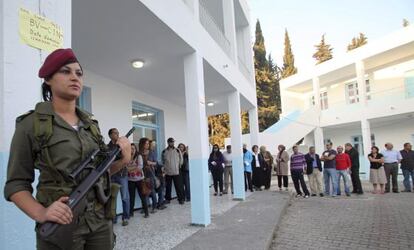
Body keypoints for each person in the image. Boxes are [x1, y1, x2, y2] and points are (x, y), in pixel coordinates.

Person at [3, 48, 131, 249]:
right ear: (48, 79)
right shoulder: (31, 124)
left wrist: (123, 159)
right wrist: (41, 213)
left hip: (99, 222)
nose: (74, 77)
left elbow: (99, 174)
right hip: (61, 228)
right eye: (65, 71)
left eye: (79, 73)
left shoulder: (91, 124)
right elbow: (16, 184)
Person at [108, 128, 130, 225]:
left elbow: (127, 158)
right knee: (113, 197)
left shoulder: (122, 145)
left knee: (125, 197)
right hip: (112, 175)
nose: (117, 135)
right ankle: (114, 217)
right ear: (110, 135)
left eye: (118, 133)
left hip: (122, 174)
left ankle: (125, 217)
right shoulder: (107, 147)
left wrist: (122, 150)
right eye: (115, 133)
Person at [127, 142, 149, 218]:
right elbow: (125, 168)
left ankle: (146, 212)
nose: (132, 150)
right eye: (130, 149)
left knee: (142, 196)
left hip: (139, 180)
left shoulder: (139, 156)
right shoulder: (127, 157)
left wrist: (130, 169)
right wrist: (133, 168)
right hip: (130, 180)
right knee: (131, 197)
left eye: (133, 148)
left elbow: (140, 167)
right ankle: (131, 212)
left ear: (135, 149)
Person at [162, 137, 185, 204]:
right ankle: (167, 199)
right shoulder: (164, 151)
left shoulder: (177, 150)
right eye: (171, 142)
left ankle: (180, 199)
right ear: (168, 142)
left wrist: (179, 166)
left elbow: (181, 159)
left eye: (173, 142)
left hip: (176, 171)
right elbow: (163, 161)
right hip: (168, 172)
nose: (172, 143)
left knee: (178, 186)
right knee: (168, 187)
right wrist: (165, 168)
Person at [140, 138, 158, 214]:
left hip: (151, 174)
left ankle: (154, 207)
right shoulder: (139, 153)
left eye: (148, 143)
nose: (147, 145)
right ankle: (145, 206)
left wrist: (150, 162)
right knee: (144, 191)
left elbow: (156, 163)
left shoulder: (152, 152)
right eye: (146, 143)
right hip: (142, 174)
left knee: (152, 190)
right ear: (142, 144)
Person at [151, 141, 167, 210]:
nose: (154, 146)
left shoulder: (154, 152)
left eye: (155, 145)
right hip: (151, 174)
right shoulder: (148, 153)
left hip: (157, 173)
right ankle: (158, 204)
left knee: (161, 187)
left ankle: (160, 203)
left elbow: (156, 163)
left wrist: (161, 168)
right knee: (157, 188)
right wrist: (154, 164)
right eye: (152, 145)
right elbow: (149, 163)